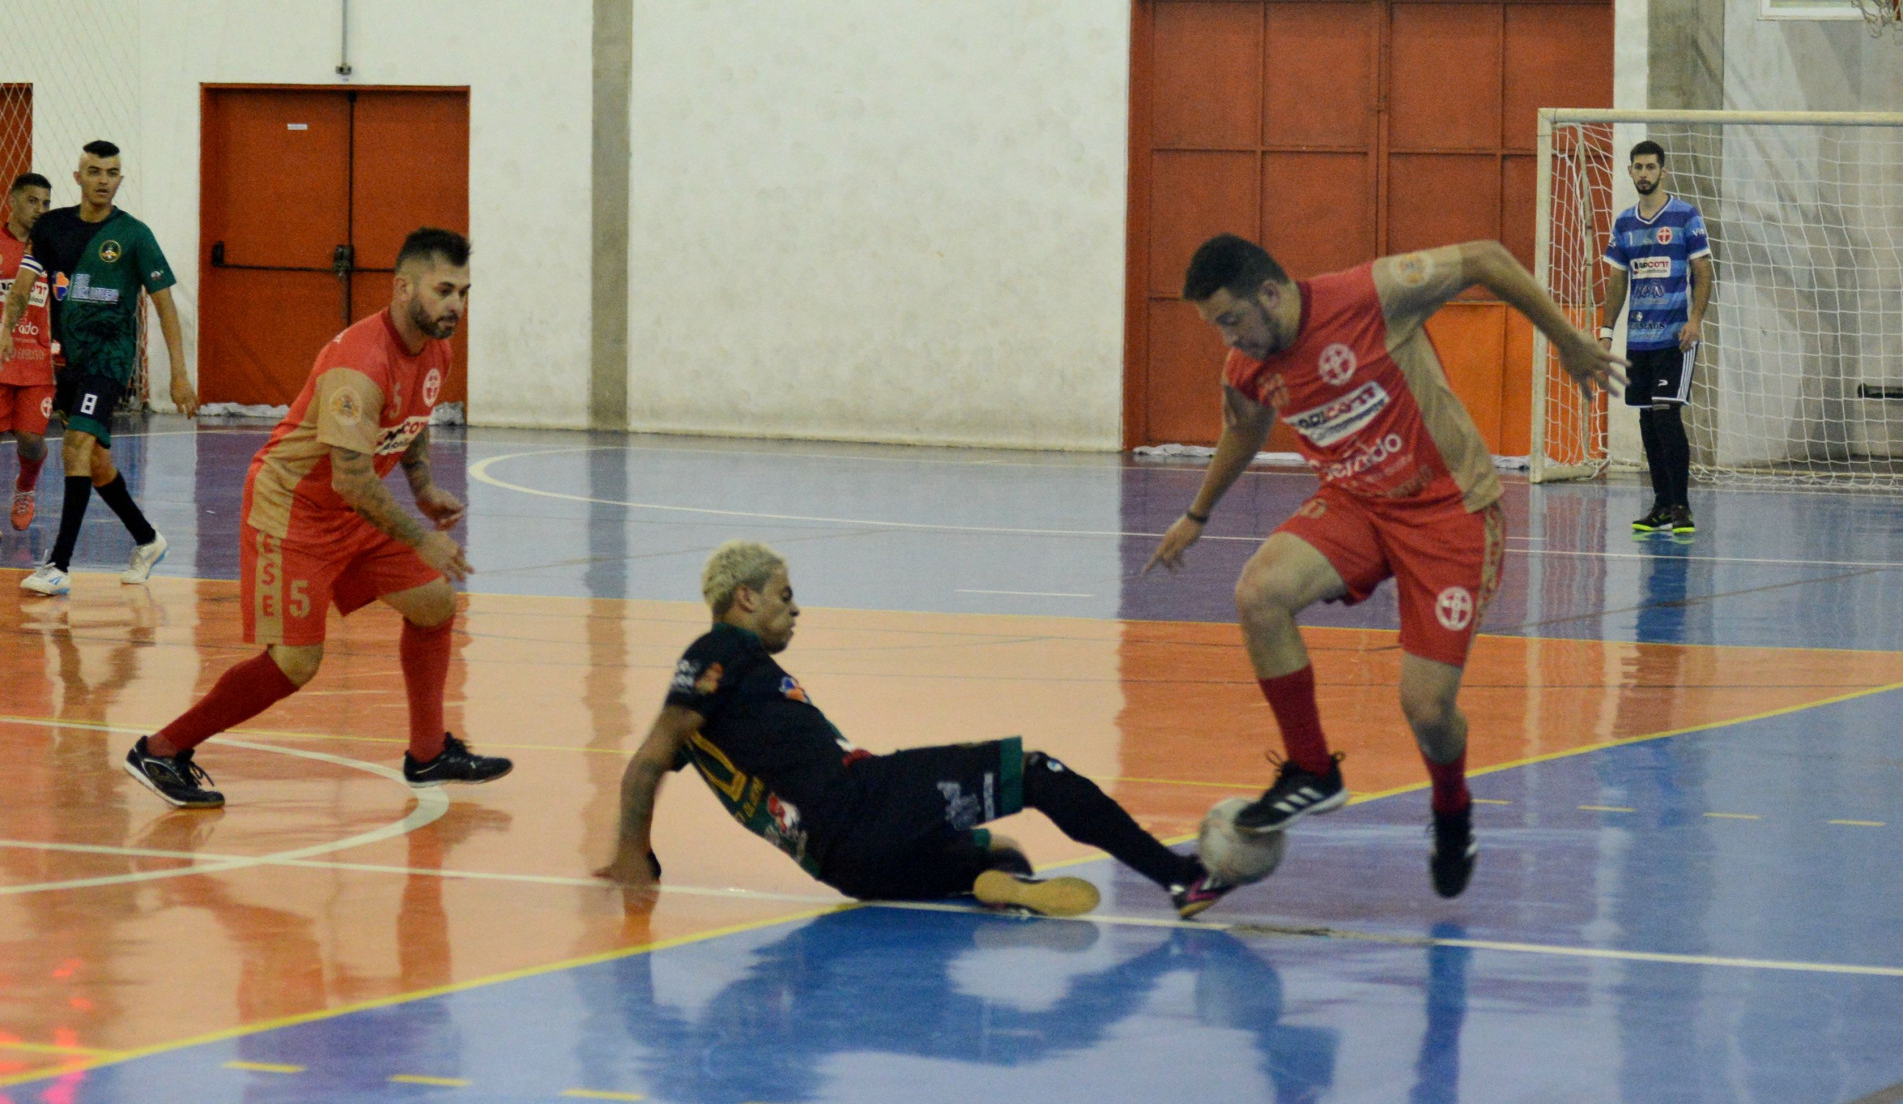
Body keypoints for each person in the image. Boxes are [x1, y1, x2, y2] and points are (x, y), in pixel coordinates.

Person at [1144, 233, 1620, 898]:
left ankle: (1451, 807)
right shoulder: (1247, 366)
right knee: (1259, 591)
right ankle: (1311, 770)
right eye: (1216, 327)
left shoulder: (1369, 294)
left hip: (1449, 509)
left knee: (1426, 710)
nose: (1229, 338)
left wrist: (1567, 340)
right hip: (1356, 504)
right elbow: (1244, 428)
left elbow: (1485, 258)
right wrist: (1197, 513)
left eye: (1231, 319)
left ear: (1270, 294)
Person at [598, 540, 1235, 918]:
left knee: (998, 853)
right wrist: (631, 852)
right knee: (1034, 772)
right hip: (863, 803)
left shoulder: (720, 710)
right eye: (784, 595)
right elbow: (646, 762)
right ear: (745, 598)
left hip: (844, 867)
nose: (795, 609)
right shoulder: (720, 650)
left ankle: (991, 882)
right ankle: (1180, 878)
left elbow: (657, 762)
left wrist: (643, 855)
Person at [122, 227, 511, 808]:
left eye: (464, 292)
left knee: (434, 604)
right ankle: (162, 749)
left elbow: (413, 418)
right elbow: (353, 479)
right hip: (293, 509)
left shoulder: (436, 347)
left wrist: (423, 486)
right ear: (403, 288)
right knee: (296, 663)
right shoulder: (359, 362)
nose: (456, 304)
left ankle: (428, 754)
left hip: (349, 510)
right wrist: (422, 537)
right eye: (444, 290)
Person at [5, 141, 199, 594]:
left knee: (75, 445)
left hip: (110, 360)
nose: (103, 180)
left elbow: (165, 307)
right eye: (94, 171)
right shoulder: (52, 228)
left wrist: (179, 373)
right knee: (96, 463)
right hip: (68, 363)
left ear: (119, 179)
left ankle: (58, 565)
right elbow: (23, 287)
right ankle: (147, 539)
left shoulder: (134, 235)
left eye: (111, 173)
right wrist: (5, 328)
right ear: (78, 177)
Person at [1599, 139, 1712, 536]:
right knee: (1648, 419)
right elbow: (1617, 280)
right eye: (1638, 167)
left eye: (1651, 167)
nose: (1644, 173)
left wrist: (1695, 320)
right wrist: (1607, 332)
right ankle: (1661, 504)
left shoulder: (1685, 216)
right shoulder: (1624, 224)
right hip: (1639, 339)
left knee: (1666, 414)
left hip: (1675, 337)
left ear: (1663, 171)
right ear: (1630, 171)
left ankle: (1681, 505)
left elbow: (1703, 271)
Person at [0, 173, 56, 529]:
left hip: (37, 360)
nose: (40, 209)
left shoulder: (51, 249)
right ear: (13, 200)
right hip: (1, 356)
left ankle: (26, 486)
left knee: (32, 439)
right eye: (33, 201)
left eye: (46, 203)